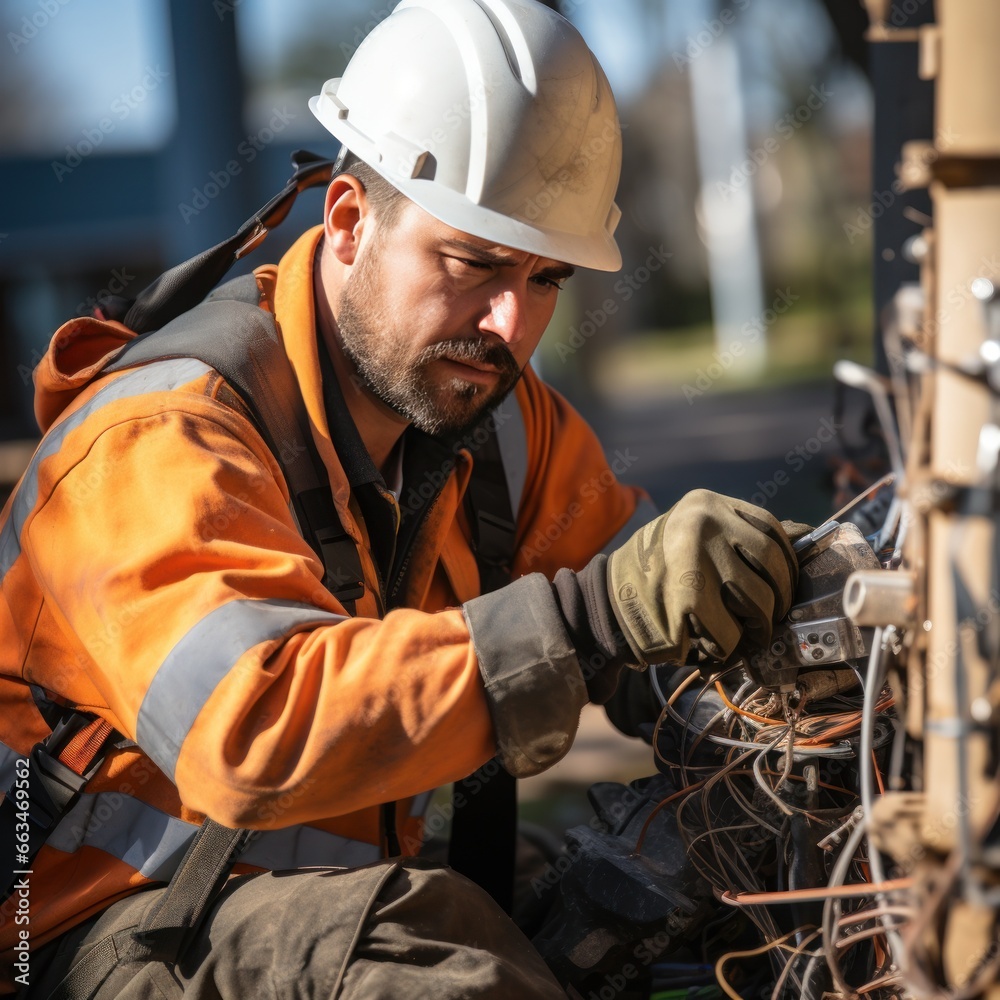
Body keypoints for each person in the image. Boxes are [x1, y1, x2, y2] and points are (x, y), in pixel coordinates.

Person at [0, 0, 798, 996]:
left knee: (715, 867)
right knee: (441, 972)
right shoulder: (161, 436)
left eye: (546, 277)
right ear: (346, 221)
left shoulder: (499, 420)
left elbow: (652, 604)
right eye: (473, 264)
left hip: (332, 893)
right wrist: (593, 620)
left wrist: (784, 629)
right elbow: (251, 730)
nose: (509, 323)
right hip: (88, 934)